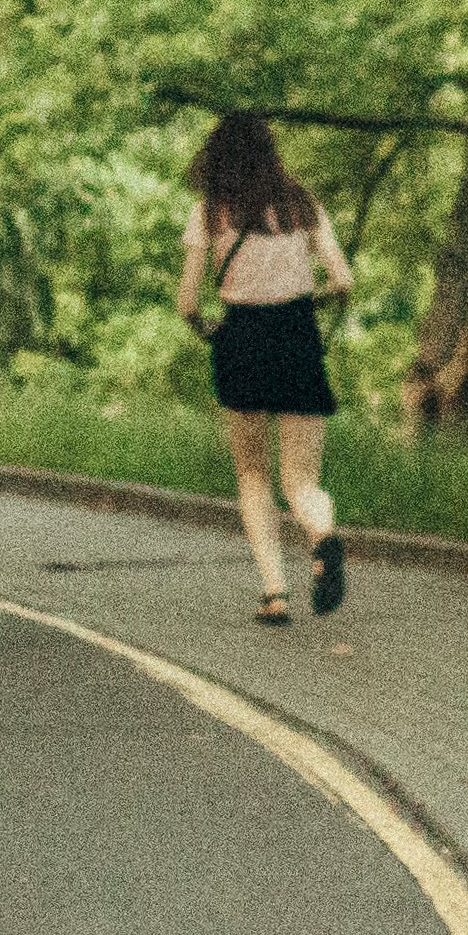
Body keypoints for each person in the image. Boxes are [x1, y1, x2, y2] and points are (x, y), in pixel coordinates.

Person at [174, 113, 357, 621]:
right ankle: (322, 536)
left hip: (241, 338)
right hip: (297, 334)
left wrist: (210, 330)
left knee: (252, 472)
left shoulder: (211, 214)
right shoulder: (303, 206)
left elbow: (188, 303)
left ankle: (275, 592)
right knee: (302, 480)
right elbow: (342, 281)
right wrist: (306, 301)